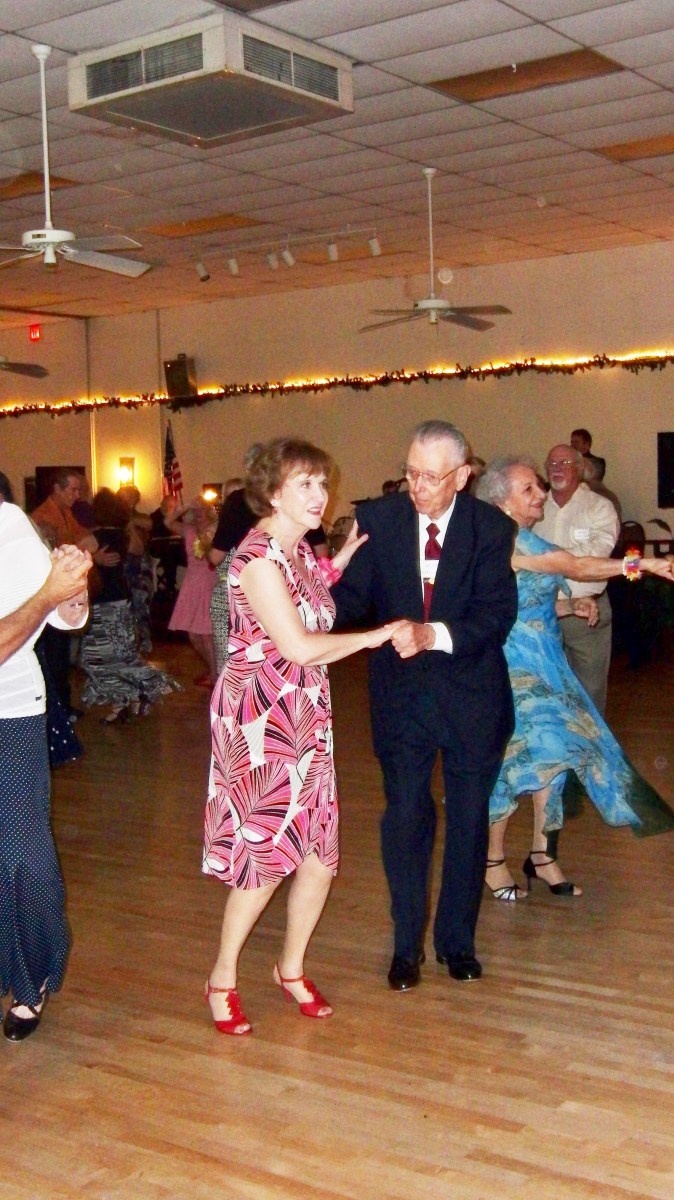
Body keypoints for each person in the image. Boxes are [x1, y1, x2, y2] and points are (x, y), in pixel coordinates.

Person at [202, 437, 393, 1036]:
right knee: (264, 860)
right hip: (260, 720)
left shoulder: (301, 550)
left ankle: (290, 968)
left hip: (305, 714)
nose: (320, 495)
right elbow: (299, 645)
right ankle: (222, 978)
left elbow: (310, 599)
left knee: (317, 856)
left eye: (322, 483)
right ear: (273, 492)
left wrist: (340, 562)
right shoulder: (257, 558)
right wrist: (374, 636)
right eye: (304, 484)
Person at [333, 420, 518, 991]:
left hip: (472, 699)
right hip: (402, 701)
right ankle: (405, 946)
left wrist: (430, 634)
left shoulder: (491, 527)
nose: (417, 487)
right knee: (406, 818)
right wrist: (315, 580)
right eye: (411, 473)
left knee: (468, 821)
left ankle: (456, 943)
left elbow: (495, 616)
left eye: (431, 477)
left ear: (462, 476)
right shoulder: (379, 519)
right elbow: (348, 603)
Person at [476, 457, 674, 899]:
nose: (541, 494)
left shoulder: (527, 540)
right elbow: (577, 567)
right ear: (502, 502)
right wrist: (643, 565)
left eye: (538, 486)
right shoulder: (501, 543)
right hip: (512, 668)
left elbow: (529, 600)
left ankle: (541, 855)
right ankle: (491, 860)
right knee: (515, 761)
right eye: (528, 489)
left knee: (559, 755)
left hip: (549, 663)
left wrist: (570, 606)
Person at [0, 496, 92, 1041]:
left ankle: (30, 979)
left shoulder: (8, 525)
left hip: (9, 714)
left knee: (24, 855)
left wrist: (72, 588)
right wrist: (48, 595)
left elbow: (66, 616)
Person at [79, 489, 180, 724]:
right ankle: (133, 697)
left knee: (104, 655)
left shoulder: (97, 537)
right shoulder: (122, 535)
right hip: (121, 598)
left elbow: (71, 553)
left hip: (103, 601)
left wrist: (93, 558)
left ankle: (123, 702)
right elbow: (138, 549)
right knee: (121, 652)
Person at [537, 444, 620, 715]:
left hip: (586, 614)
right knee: (547, 691)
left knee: (589, 694)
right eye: (552, 463)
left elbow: (598, 554)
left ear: (580, 468)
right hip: (543, 612)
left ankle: (591, 742)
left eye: (565, 463)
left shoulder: (599, 506)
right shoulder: (535, 506)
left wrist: (547, 557)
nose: (557, 469)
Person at [167, 496, 219, 686]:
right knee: (193, 635)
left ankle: (215, 674)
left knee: (206, 634)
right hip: (192, 583)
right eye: (195, 511)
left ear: (208, 511)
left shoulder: (216, 529)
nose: (198, 514)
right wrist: (185, 506)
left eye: (201, 510)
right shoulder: (188, 530)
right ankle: (214, 669)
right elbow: (167, 522)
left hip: (209, 580)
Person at [117, 485, 155, 654]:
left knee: (141, 604)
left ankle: (144, 641)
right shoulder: (115, 519)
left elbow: (148, 525)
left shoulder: (141, 517)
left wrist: (130, 520)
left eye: (126, 498)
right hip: (123, 565)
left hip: (140, 566)